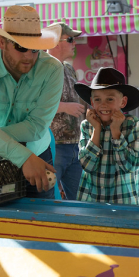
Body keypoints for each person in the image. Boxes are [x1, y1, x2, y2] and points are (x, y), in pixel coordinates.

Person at [0, 6, 64, 198]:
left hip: (36, 153)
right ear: (2, 42)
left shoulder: (52, 69)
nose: (29, 56)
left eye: (35, 49)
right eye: (21, 47)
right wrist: (22, 157)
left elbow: (36, 127)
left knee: (40, 223)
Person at [74, 67, 139, 204]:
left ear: (123, 102)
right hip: (90, 201)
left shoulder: (132, 124)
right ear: (92, 103)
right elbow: (86, 165)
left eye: (110, 99)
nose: (103, 105)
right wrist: (97, 129)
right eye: (98, 99)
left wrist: (116, 131)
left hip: (123, 202)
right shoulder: (87, 126)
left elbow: (131, 165)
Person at [47, 23, 85, 200]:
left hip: (74, 145)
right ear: (54, 42)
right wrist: (64, 107)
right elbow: (32, 105)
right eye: (70, 39)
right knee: (48, 199)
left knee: (79, 200)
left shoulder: (69, 69)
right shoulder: (41, 68)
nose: (74, 44)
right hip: (53, 146)